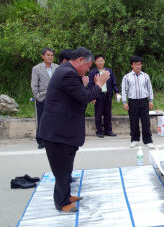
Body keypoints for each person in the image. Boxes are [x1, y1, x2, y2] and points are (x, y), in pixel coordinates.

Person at [39, 47, 110, 213]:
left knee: (67, 167)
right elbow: (85, 97)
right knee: (61, 170)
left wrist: (87, 87)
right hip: (57, 131)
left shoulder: (68, 71)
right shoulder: (67, 73)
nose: (88, 69)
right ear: (80, 60)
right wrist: (98, 84)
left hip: (65, 130)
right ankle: (62, 202)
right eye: (87, 66)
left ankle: (67, 195)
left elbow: (80, 96)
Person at [121, 55, 154, 149]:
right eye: (136, 65)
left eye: (139, 64)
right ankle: (135, 139)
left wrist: (150, 100)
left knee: (146, 122)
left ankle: (148, 140)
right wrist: (124, 102)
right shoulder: (127, 77)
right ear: (132, 65)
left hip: (144, 101)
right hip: (133, 101)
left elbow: (149, 88)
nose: (138, 66)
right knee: (133, 121)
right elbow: (124, 90)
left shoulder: (145, 76)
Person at [31, 47, 59, 149]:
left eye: (52, 55)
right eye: (48, 55)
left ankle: (53, 139)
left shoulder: (57, 67)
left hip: (56, 98)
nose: (50, 57)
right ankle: (41, 140)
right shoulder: (36, 68)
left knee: (55, 119)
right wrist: (37, 96)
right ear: (43, 56)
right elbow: (34, 85)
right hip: (43, 98)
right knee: (42, 119)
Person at [88, 54, 120, 138]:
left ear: (104, 61)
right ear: (95, 62)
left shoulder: (109, 71)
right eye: (98, 61)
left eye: (101, 60)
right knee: (98, 114)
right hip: (98, 95)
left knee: (108, 114)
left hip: (108, 95)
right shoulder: (92, 72)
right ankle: (99, 131)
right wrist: (92, 97)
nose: (100, 62)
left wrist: (116, 92)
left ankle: (108, 130)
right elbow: (90, 85)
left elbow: (114, 83)